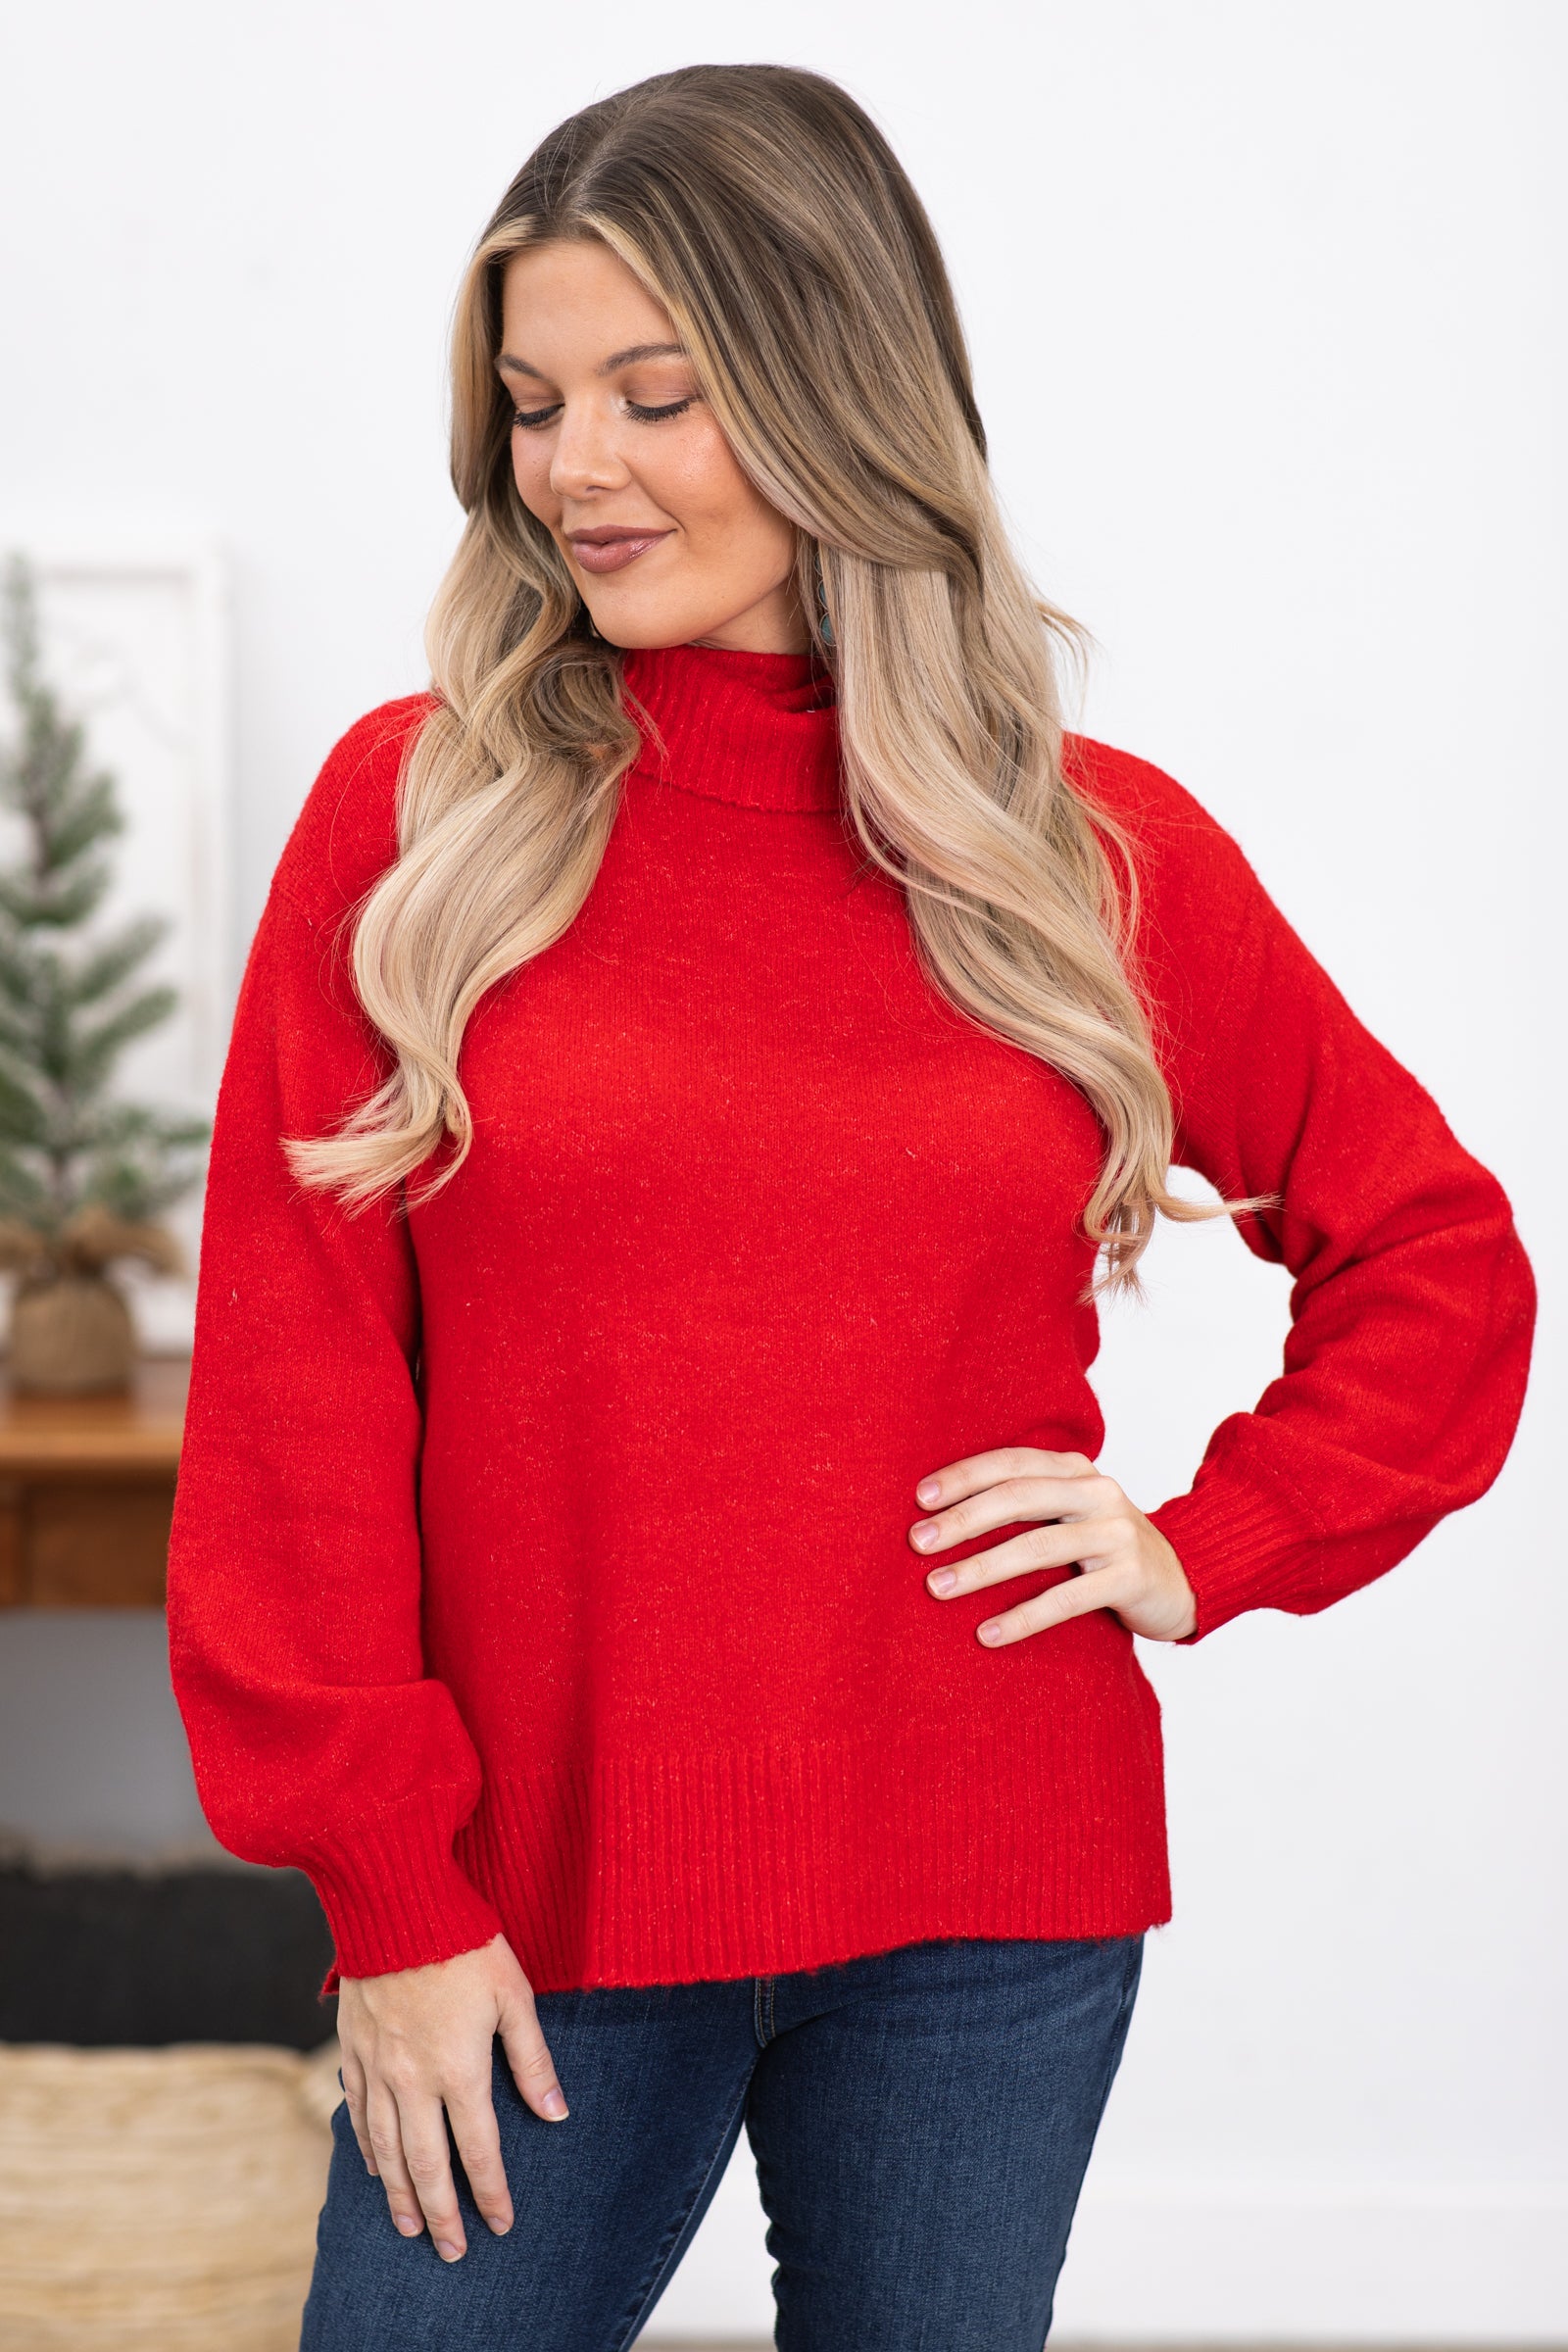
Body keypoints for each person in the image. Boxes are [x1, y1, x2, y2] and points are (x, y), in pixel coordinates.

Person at [165, 62, 1536, 2352]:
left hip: (988, 1901)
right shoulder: (416, 827)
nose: (573, 469)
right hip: (528, 1908)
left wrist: (1204, 1540)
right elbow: (292, 1406)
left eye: (654, 396)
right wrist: (391, 1895)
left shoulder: (1082, 857)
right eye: (531, 405)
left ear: (834, 392)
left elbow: (1434, 1259)